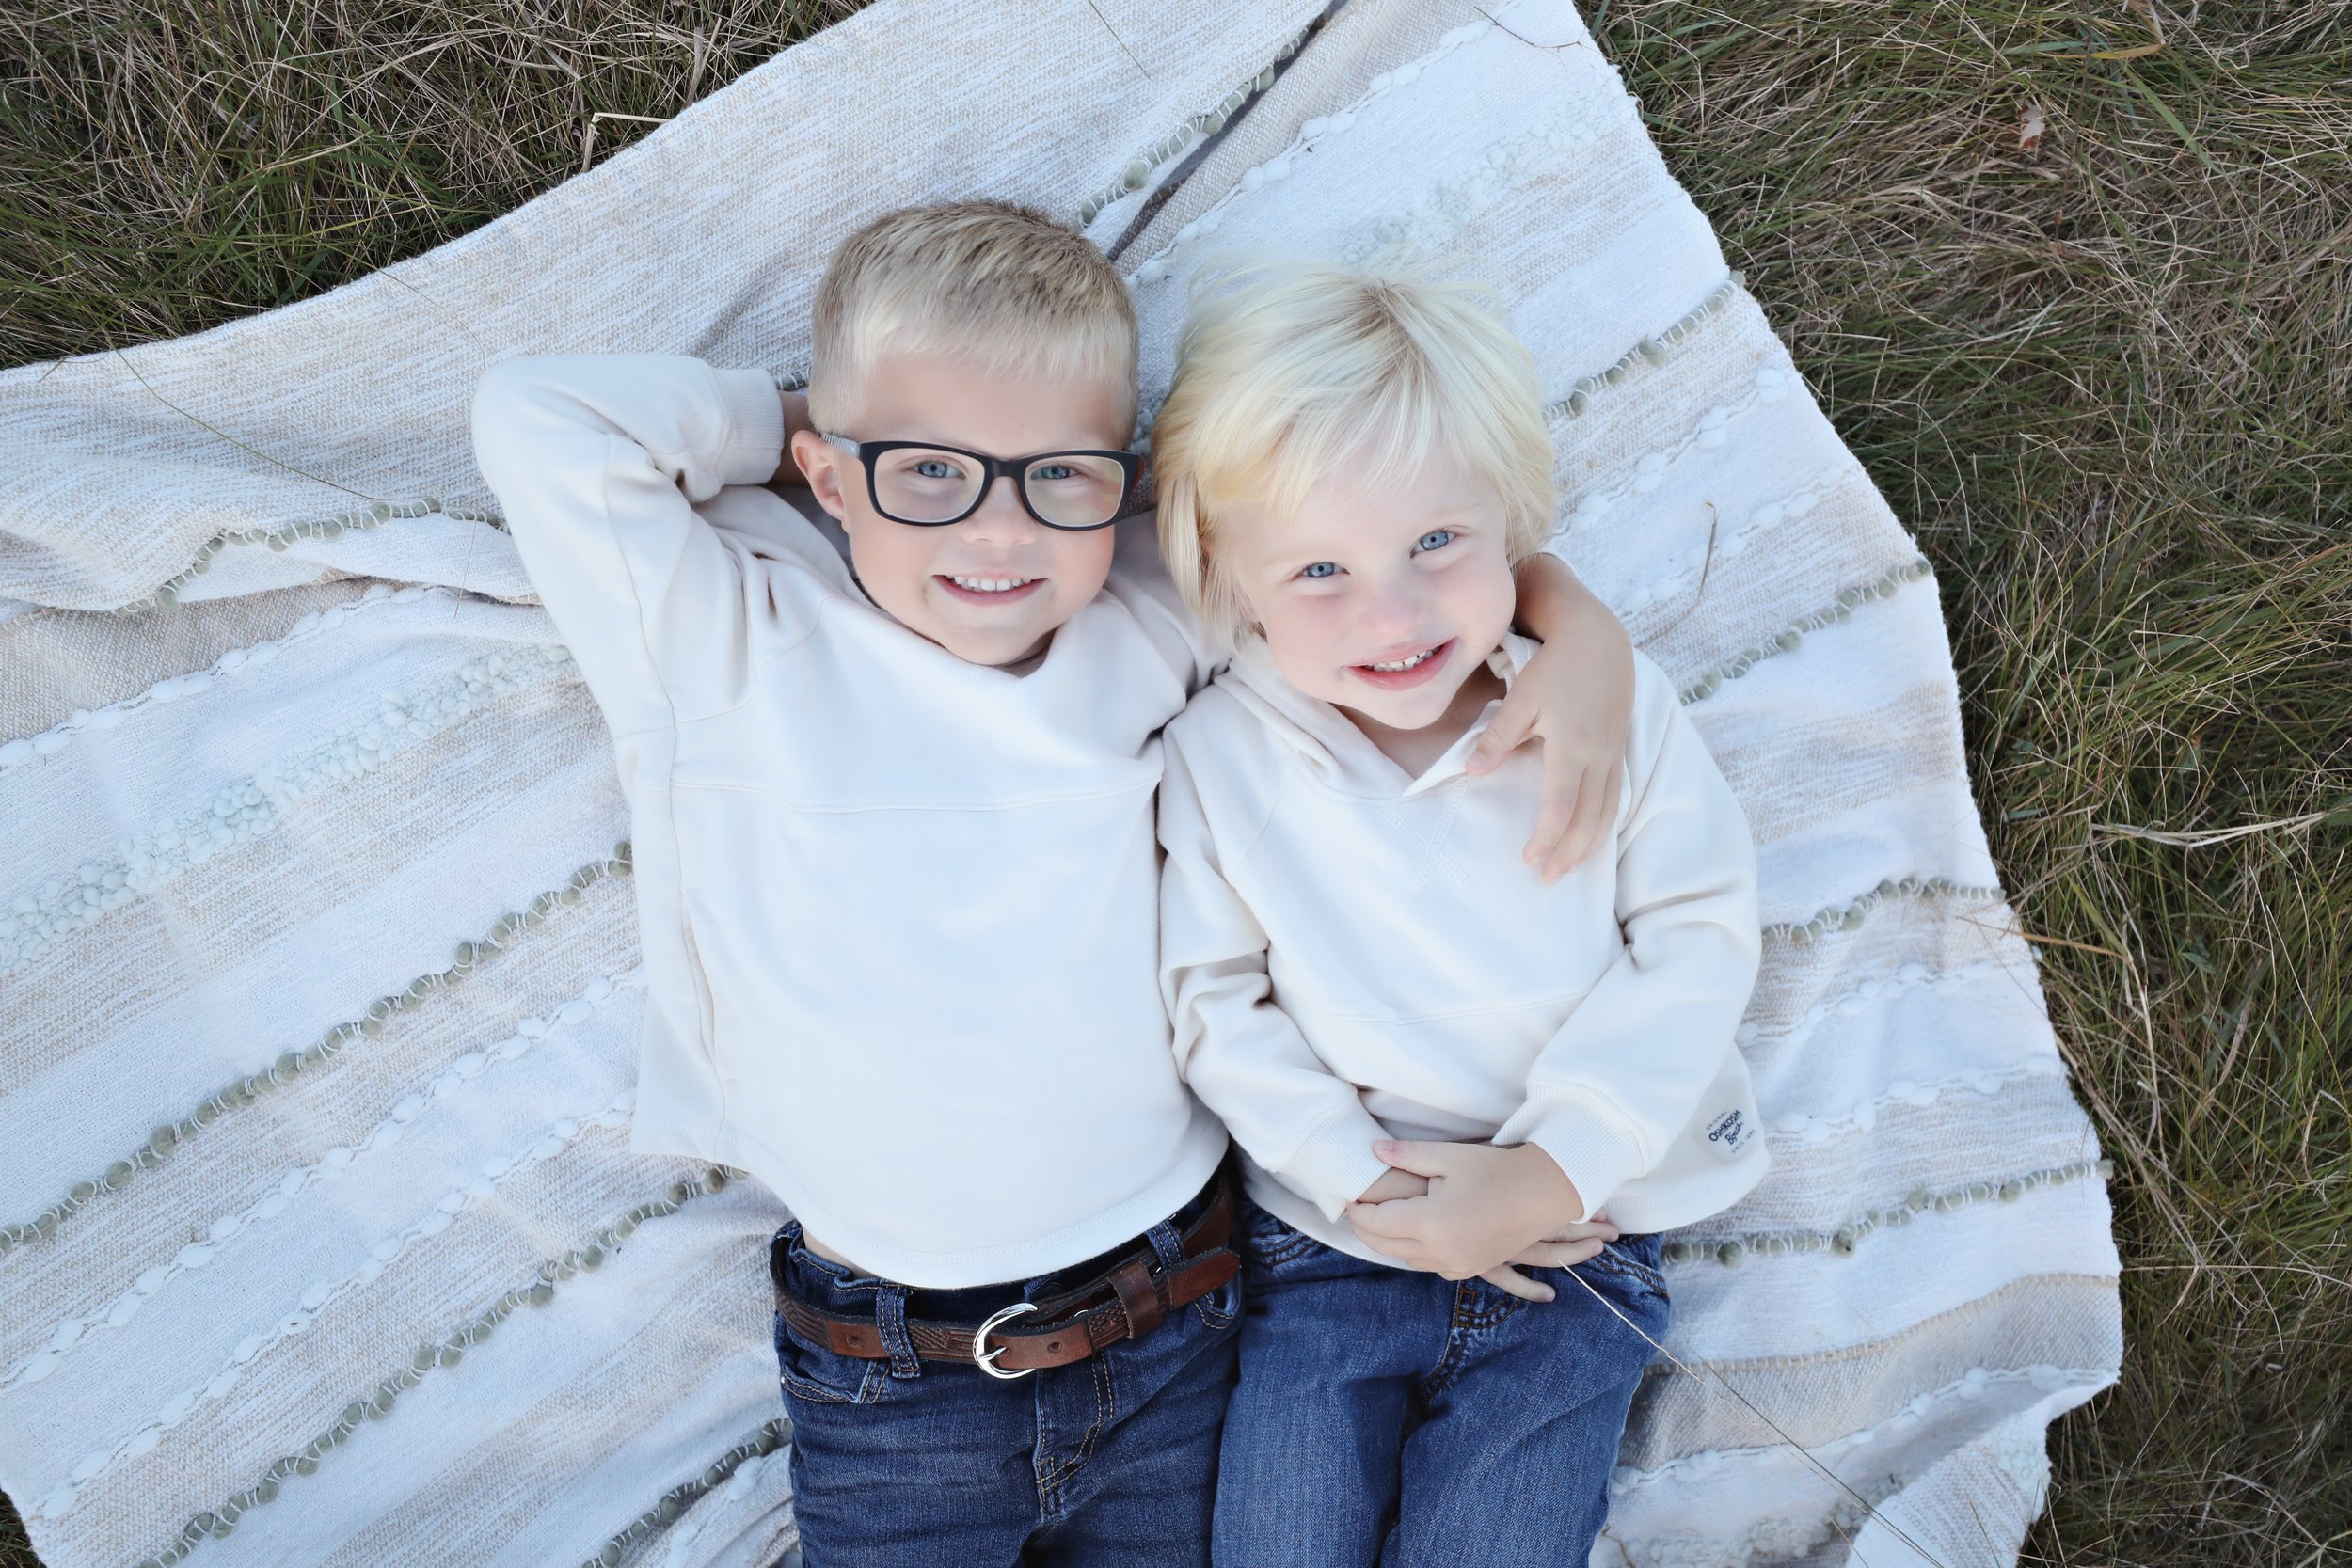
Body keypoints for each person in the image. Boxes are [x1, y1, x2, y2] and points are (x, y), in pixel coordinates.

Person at [469, 203, 1639, 1565]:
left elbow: (1346, 546)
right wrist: (841, 422)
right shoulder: (727, 628)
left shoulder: (1143, 613)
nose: (999, 531)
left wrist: (1575, 618)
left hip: (1175, 1320)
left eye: (1056, 478)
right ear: (825, 479)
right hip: (889, 1372)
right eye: (931, 474)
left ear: (1123, 482)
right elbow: (538, 417)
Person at [1150, 255, 1770, 1567]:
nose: (1395, 611)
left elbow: (1698, 934)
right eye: (1320, 569)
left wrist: (1552, 1168)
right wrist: (1365, 1185)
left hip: (1580, 1244)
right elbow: (1213, 1004)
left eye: (1438, 542)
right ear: (1228, 577)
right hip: (1334, 1251)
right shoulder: (1219, 758)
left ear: (1512, 525)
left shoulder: (1602, 709)